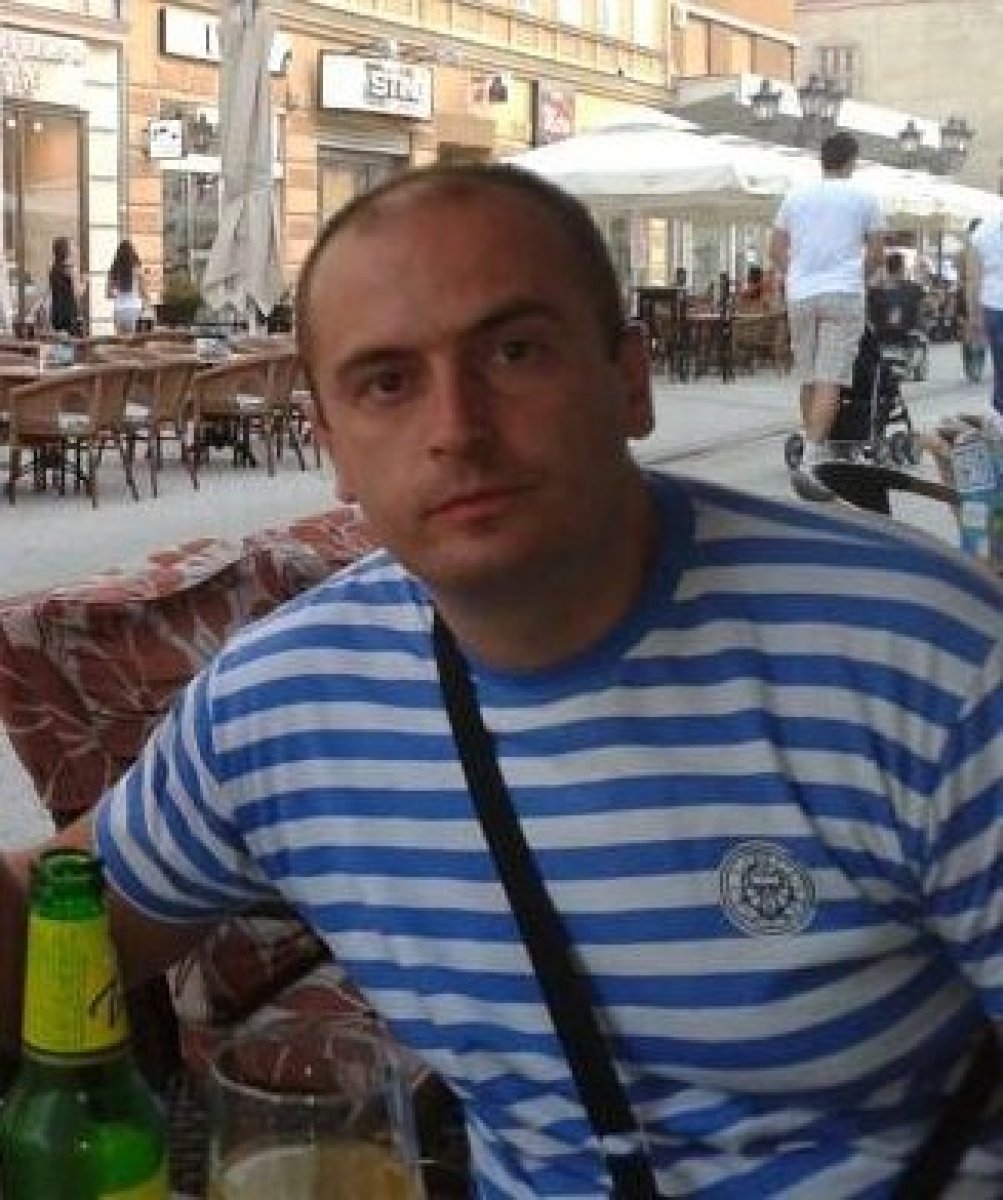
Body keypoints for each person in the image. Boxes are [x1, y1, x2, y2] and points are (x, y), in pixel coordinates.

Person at [1, 164, 1000, 1198]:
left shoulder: (933, 662)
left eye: (513, 352)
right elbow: (59, 917)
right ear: (332, 445)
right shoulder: (283, 702)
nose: (457, 428)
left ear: (629, 382)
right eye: (387, 383)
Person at [770, 132, 886, 497]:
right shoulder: (865, 197)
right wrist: (855, 277)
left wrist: (796, 276)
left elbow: (775, 249)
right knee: (830, 380)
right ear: (852, 161)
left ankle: (812, 445)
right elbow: (877, 254)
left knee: (809, 377)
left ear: (822, 160)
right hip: (843, 293)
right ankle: (812, 458)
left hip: (801, 295)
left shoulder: (795, 196)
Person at [966, 213, 1003, 424]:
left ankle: (1000, 418)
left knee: (1000, 369)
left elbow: (973, 278)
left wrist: (974, 316)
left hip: (994, 307)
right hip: (995, 307)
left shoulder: (981, 232)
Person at [958, 219, 987, 383]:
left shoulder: (963, 251)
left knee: (970, 330)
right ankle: (975, 367)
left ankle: (971, 367)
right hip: (977, 291)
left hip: (969, 291)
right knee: (976, 331)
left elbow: (960, 275)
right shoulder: (978, 250)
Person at [106, 238, 149, 334]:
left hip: (119, 310)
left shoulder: (113, 272)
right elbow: (144, 293)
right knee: (135, 341)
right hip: (135, 310)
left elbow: (108, 294)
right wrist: (147, 305)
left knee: (121, 341)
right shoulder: (137, 270)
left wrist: (118, 294)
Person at [47, 234, 84, 336]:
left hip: (57, 314)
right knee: (73, 342)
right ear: (67, 250)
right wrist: (84, 282)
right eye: (73, 245)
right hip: (70, 315)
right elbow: (78, 293)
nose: (76, 248)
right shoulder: (71, 269)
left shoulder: (54, 269)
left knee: (62, 343)